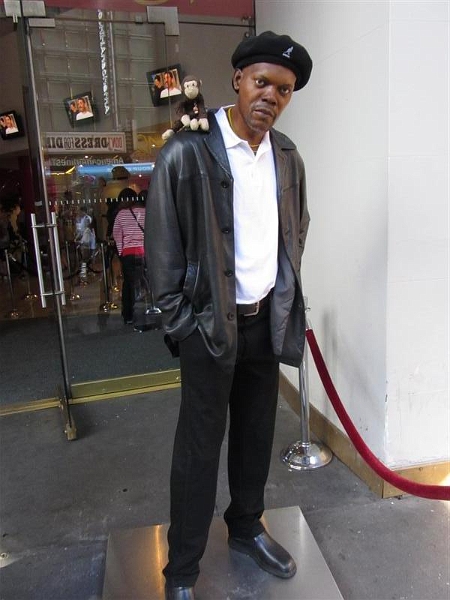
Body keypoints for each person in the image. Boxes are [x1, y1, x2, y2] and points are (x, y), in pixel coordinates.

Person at [146, 30, 313, 600]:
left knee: (255, 434)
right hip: (208, 327)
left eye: (284, 89)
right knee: (199, 450)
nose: (271, 96)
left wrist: (281, 294)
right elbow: (162, 253)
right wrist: (183, 326)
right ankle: (181, 570)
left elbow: (297, 228)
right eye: (262, 82)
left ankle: (245, 527)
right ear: (238, 80)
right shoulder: (186, 152)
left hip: (265, 321)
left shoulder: (286, 157)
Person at [112, 187, 145, 325]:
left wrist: (121, 251)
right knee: (147, 281)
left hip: (128, 252)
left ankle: (128, 315)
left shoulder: (121, 214)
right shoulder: (145, 212)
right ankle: (151, 307)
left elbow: (117, 234)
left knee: (128, 284)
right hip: (144, 252)